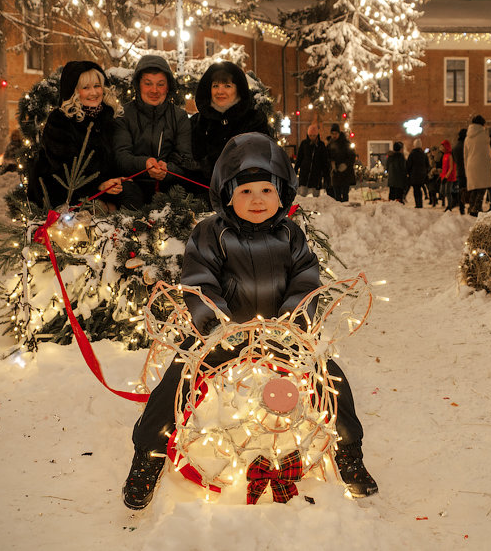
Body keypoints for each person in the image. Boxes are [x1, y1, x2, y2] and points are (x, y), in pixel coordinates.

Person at [122, 132, 379, 510]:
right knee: (178, 381)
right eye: (245, 192)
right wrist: (216, 326)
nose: (257, 200)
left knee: (331, 379)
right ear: (227, 194)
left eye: (266, 190)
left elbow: (307, 281)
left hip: (282, 335)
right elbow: (199, 281)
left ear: (282, 194)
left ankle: (349, 453)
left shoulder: (292, 235)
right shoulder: (211, 234)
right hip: (224, 337)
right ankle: (148, 455)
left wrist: (293, 325)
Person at [27, 60, 126, 208]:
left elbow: (117, 155)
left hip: (107, 189)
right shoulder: (60, 120)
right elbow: (64, 168)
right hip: (65, 196)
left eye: (97, 86)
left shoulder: (109, 117)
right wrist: (99, 185)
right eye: (86, 88)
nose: (94, 93)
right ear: (73, 91)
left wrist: (119, 177)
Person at [112, 55, 194, 209]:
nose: (154, 90)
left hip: (171, 187)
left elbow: (185, 159)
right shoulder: (124, 114)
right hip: (132, 187)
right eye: (148, 83)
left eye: (160, 84)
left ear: (168, 86)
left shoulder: (179, 117)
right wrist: (144, 164)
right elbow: (121, 156)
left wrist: (167, 170)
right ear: (139, 85)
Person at [190, 60, 271, 201]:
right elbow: (191, 161)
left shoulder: (254, 120)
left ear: (238, 88)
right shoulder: (197, 122)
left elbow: (260, 159)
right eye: (215, 85)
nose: (220, 91)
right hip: (202, 195)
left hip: (245, 197)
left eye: (227, 85)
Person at [463, 115, 491, 217]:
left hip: (471, 164)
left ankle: (471, 208)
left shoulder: (467, 137)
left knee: (474, 189)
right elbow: (489, 151)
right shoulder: (485, 135)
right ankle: (476, 209)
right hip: (482, 164)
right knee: (482, 188)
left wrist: (466, 167)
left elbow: (465, 155)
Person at [295, 124, 331, 197]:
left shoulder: (321, 145)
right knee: (302, 195)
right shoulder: (304, 144)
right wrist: (295, 169)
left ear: (317, 135)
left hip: (316, 175)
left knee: (316, 196)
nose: (312, 137)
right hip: (304, 174)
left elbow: (324, 161)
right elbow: (299, 158)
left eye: (314, 135)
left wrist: (326, 175)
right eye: (310, 135)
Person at [327, 123, 356, 202]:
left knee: (345, 193)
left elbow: (352, 156)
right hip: (335, 172)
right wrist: (331, 163)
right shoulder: (330, 144)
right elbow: (327, 156)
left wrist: (345, 164)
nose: (334, 135)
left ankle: (345, 210)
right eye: (332, 134)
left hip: (345, 173)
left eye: (335, 133)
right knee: (337, 194)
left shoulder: (345, 143)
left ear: (339, 133)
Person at [405, 138, 429, 208]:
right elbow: (427, 165)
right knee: (420, 189)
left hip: (414, 175)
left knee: (416, 189)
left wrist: (408, 173)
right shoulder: (424, 154)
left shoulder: (412, 154)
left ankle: (417, 203)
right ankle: (420, 203)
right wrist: (425, 172)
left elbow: (408, 165)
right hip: (422, 175)